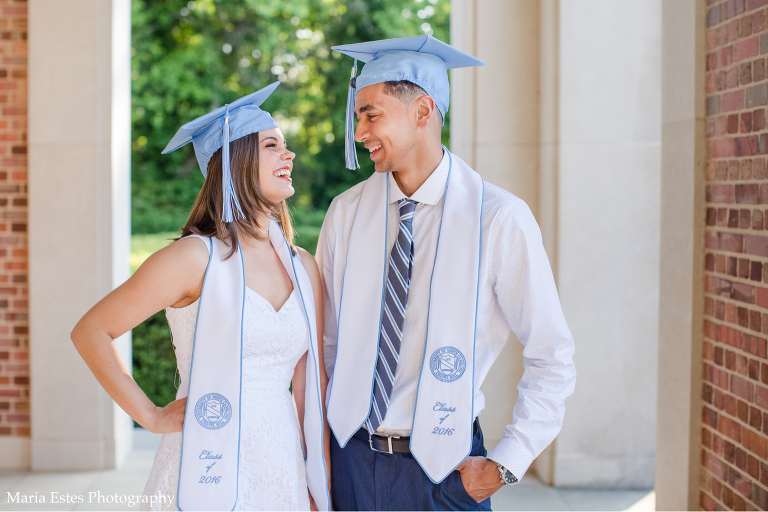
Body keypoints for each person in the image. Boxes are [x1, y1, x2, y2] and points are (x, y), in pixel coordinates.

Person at [316, 35, 577, 511]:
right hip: (350, 466)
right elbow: (328, 346)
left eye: (371, 115)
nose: (359, 133)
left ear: (423, 110)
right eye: (358, 117)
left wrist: (505, 464)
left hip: (444, 474)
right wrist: (319, 463)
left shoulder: (498, 218)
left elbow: (552, 353)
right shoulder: (346, 213)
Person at [70, 82, 331, 512]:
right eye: (272, 145)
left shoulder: (302, 265)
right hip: (204, 461)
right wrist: (150, 416)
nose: (290, 156)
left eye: (286, 146)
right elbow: (91, 331)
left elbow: (309, 385)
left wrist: (318, 480)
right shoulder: (194, 258)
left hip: (281, 463)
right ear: (236, 161)